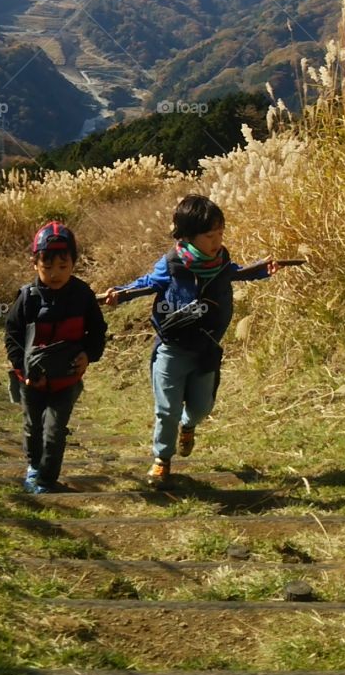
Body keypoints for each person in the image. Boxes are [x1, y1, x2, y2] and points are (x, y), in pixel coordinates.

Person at [102, 194, 279, 487]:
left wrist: (262, 269)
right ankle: (162, 459)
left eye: (221, 233)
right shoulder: (172, 264)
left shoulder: (221, 263)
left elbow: (237, 274)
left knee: (200, 408)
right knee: (166, 408)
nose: (217, 241)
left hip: (206, 348)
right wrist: (120, 293)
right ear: (188, 236)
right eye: (210, 235)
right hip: (172, 348)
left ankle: (189, 425)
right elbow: (148, 284)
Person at [5, 221, 107, 493]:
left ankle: (46, 480)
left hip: (66, 379)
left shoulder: (82, 295)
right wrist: (23, 371)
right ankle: (33, 467)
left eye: (63, 266)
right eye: (47, 267)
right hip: (31, 381)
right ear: (34, 264)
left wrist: (89, 354)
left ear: (74, 262)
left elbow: (97, 330)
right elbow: (12, 334)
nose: (55, 274)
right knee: (33, 428)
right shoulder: (27, 298)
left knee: (54, 431)